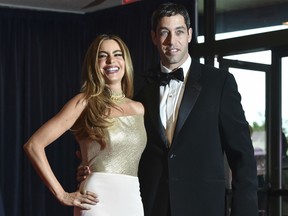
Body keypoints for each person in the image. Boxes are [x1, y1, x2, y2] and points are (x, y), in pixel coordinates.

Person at [77, 2, 259, 216]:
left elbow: (243, 156)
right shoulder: (136, 86)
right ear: (154, 37)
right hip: (149, 205)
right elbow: (113, 137)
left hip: (204, 207)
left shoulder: (220, 83)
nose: (172, 41)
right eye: (164, 33)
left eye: (179, 32)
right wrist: (92, 166)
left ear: (189, 35)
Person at [24, 34, 146, 216]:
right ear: (94, 64)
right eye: (102, 56)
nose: (111, 60)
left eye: (117, 54)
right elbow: (33, 145)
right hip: (95, 200)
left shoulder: (139, 109)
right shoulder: (84, 102)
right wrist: (61, 194)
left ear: (126, 61)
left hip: (132, 199)